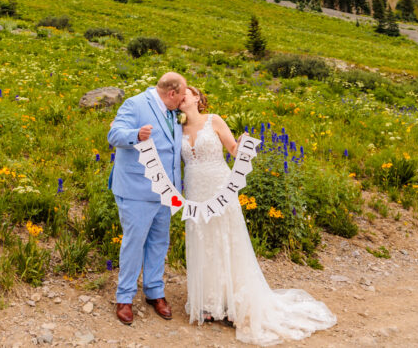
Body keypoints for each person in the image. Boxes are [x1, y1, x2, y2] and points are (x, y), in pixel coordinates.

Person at [179, 85, 336, 345]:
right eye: (179, 93)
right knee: (203, 241)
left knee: (227, 240)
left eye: (187, 91)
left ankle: (232, 304)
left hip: (219, 186)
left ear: (197, 98)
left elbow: (232, 150)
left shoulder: (213, 120)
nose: (182, 95)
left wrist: (241, 146)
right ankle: (209, 303)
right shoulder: (178, 129)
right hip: (195, 190)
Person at [107, 71, 186, 326]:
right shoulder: (135, 103)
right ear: (171, 93)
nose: (183, 100)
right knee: (134, 243)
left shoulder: (174, 111)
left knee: (159, 242)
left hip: (166, 192)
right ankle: (124, 297)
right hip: (137, 189)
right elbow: (114, 135)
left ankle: (154, 292)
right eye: (182, 95)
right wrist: (136, 134)